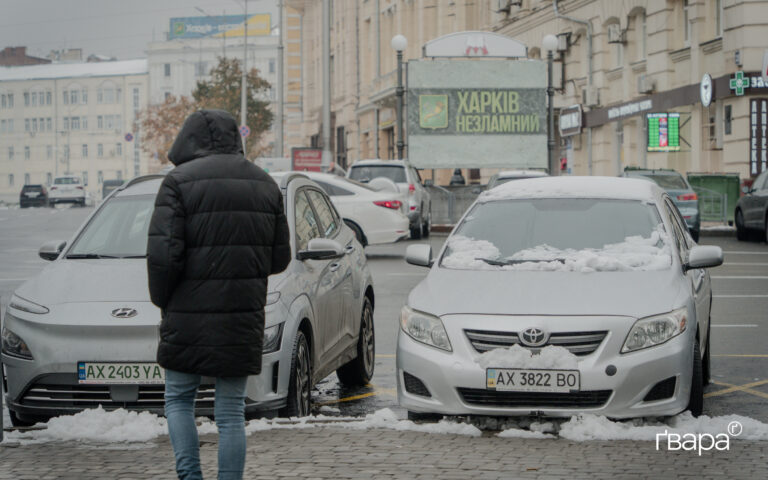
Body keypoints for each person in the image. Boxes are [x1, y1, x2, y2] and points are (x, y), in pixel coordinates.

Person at [147, 109, 291, 480]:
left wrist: (164, 301)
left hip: (186, 313)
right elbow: (280, 258)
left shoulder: (177, 182)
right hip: (242, 315)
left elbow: (163, 258)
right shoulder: (264, 183)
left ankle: (189, 476)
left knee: (179, 399)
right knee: (230, 412)